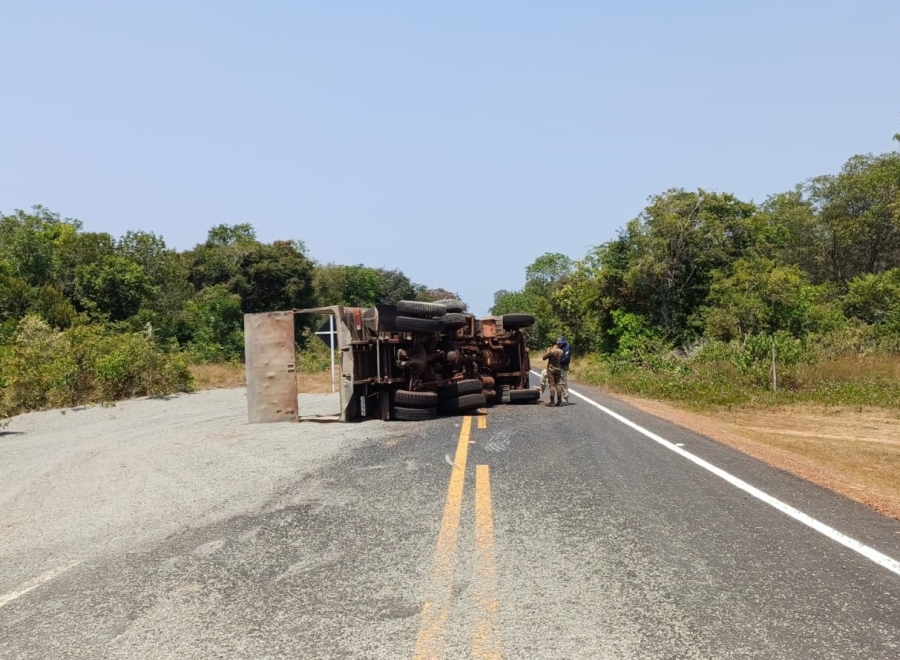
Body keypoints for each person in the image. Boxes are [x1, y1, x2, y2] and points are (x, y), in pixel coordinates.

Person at [541, 341, 564, 406]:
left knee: (552, 385)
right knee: (558, 384)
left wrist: (548, 351)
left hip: (551, 369)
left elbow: (544, 358)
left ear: (552, 344)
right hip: (558, 369)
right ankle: (559, 401)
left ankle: (552, 401)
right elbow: (561, 360)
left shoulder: (551, 351)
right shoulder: (561, 351)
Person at [557, 336, 571, 405]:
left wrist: (558, 360)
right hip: (557, 367)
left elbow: (566, 359)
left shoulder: (566, 349)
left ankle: (565, 399)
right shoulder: (559, 348)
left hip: (563, 367)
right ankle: (540, 389)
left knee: (563, 383)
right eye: (558, 343)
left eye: (560, 343)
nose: (559, 344)